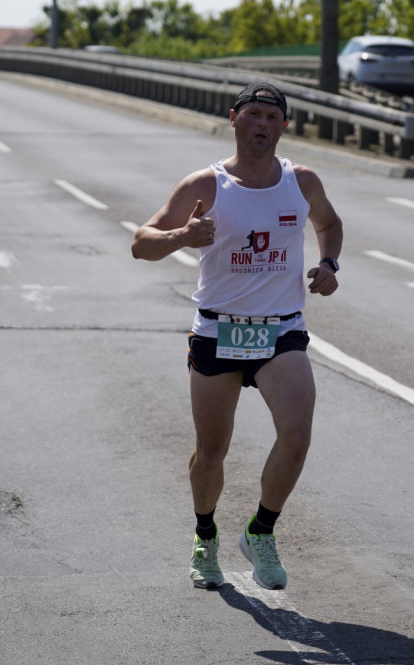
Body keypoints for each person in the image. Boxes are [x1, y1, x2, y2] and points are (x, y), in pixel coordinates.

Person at [131, 82, 343, 591]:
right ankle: (206, 537)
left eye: (272, 116)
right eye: (253, 114)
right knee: (211, 451)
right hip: (218, 330)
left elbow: (329, 224)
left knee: (296, 436)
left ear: (284, 126)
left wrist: (330, 263)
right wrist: (183, 236)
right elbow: (141, 243)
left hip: (281, 331)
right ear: (234, 119)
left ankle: (261, 531)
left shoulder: (302, 181)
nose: (262, 124)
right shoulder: (206, 184)